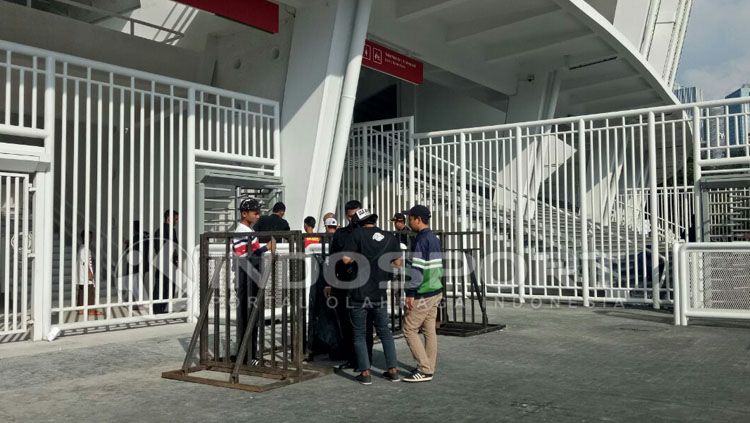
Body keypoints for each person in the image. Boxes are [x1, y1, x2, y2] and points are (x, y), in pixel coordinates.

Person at [342, 209, 402, 385]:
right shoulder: (389, 236)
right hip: (380, 291)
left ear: (359, 222)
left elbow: (346, 260)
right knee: (385, 331)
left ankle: (365, 372)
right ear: (374, 220)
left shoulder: (357, 235)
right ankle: (393, 370)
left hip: (359, 292)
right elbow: (398, 263)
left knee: (360, 333)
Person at [325, 200, 373, 369]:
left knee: (365, 322)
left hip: (364, 283)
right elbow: (333, 258)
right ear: (347, 215)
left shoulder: (367, 233)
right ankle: (352, 358)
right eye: (352, 216)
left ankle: (366, 358)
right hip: (343, 282)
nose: (355, 219)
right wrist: (330, 283)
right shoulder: (341, 234)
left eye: (358, 215)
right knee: (345, 322)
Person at [402, 205, 444, 383]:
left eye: (410, 218)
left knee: (409, 329)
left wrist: (410, 292)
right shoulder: (433, 238)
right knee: (429, 330)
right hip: (435, 289)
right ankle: (428, 366)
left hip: (423, 292)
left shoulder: (420, 240)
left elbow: (417, 270)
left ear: (417, 219)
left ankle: (424, 369)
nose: (408, 221)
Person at [232, 198, 272, 366]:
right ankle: (248, 357)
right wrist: (266, 248)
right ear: (244, 214)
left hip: (251, 279)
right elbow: (243, 257)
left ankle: (250, 355)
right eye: (255, 212)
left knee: (252, 319)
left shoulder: (249, 230)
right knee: (248, 319)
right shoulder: (241, 231)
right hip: (245, 280)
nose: (258, 215)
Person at [152, 210, 179, 314]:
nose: (177, 221)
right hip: (166, 263)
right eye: (175, 219)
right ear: (169, 218)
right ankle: (159, 310)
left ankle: (160, 309)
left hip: (165, 262)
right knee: (164, 287)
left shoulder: (161, 230)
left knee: (163, 286)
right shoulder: (166, 231)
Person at [77, 231, 103, 316]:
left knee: (82, 291)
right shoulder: (85, 249)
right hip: (85, 275)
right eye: (89, 237)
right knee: (90, 291)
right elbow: (84, 262)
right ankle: (91, 310)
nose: (91, 239)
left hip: (81, 275)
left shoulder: (82, 248)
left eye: (91, 237)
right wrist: (89, 273)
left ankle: (81, 309)